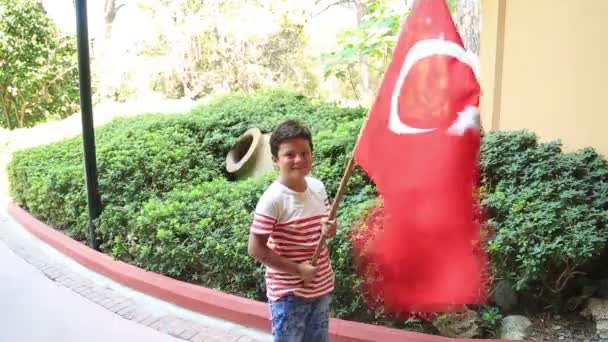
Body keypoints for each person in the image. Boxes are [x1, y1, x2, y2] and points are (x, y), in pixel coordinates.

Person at [247, 119, 337, 342]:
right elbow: (256, 249)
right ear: (276, 160)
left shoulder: (318, 187)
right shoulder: (273, 200)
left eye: (304, 153)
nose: (299, 159)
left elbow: (326, 232)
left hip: (321, 287)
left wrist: (330, 228)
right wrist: (298, 270)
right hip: (289, 296)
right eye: (290, 154)